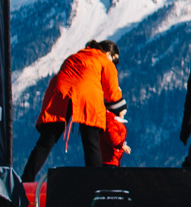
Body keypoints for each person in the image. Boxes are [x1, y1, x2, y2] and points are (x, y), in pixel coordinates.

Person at [22, 40, 125, 182]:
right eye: (115, 60)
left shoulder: (76, 56)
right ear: (108, 53)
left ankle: (26, 180)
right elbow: (112, 93)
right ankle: (96, 183)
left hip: (60, 93)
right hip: (88, 95)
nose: (114, 64)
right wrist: (121, 107)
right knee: (91, 142)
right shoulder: (104, 61)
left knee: (46, 141)